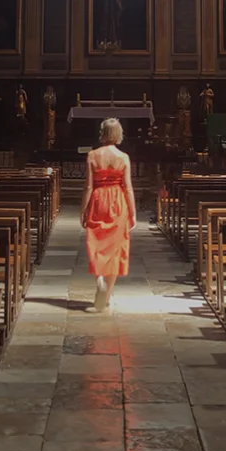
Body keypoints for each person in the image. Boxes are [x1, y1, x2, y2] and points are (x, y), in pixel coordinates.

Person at [80, 117, 137, 312]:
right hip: (117, 202)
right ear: (119, 134)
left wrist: (83, 209)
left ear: (102, 133)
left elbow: (88, 186)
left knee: (96, 244)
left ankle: (100, 281)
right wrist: (133, 212)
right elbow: (128, 187)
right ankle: (107, 296)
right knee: (115, 249)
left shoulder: (92, 155)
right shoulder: (123, 157)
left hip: (98, 200)